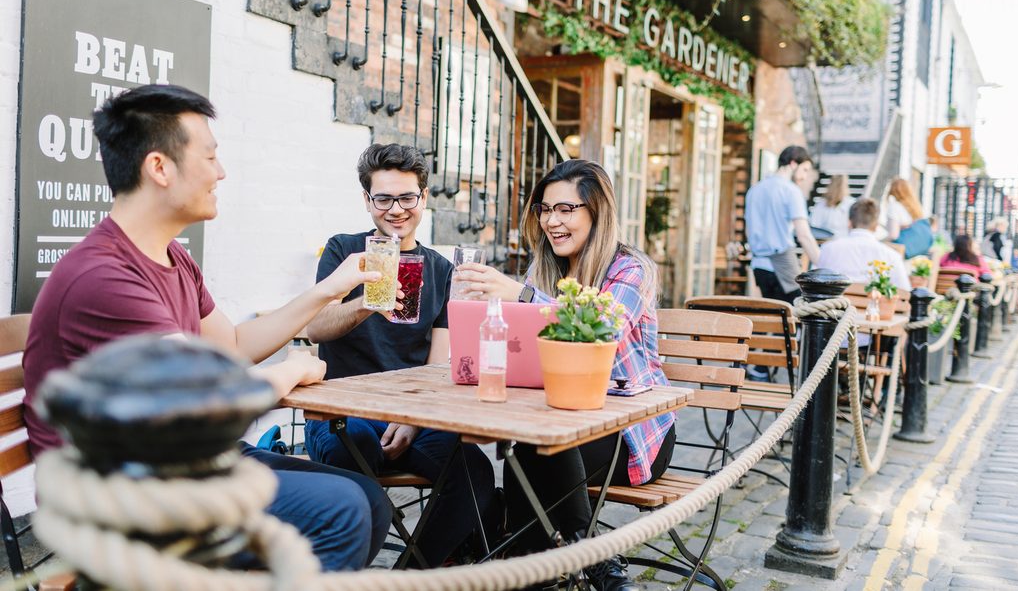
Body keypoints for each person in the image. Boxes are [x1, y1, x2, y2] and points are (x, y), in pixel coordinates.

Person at [22, 84, 390, 572]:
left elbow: (234, 347)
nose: (221, 172)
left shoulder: (172, 256)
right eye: (211, 156)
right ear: (159, 167)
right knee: (339, 512)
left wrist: (330, 289)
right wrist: (292, 370)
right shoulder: (104, 276)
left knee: (369, 499)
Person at [454, 160, 672, 591]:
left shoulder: (631, 269)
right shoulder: (547, 270)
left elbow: (602, 330)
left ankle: (567, 555)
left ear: (597, 210)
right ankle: (559, 563)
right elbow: (524, 348)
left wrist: (519, 294)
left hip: (632, 432)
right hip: (555, 420)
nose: (552, 221)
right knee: (528, 452)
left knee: (537, 452)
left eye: (566, 209)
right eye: (545, 210)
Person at [304, 143, 496, 568]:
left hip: (409, 415)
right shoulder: (344, 251)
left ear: (423, 198)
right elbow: (315, 327)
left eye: (407, 197)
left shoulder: (441, 269)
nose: (396, 210)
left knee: (475, 474)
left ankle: (409, 576)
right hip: (343, 411)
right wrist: (367, 302)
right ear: (367, 201)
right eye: (384, 198)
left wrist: (412, 418)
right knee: (353, 449)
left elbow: (439, 362)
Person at [745, 145, 820, 305]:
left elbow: (748, 230)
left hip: (759, 266)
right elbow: (804, 235)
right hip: (782, 265)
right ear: (793, 164)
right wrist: (823, 264)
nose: (804, 177)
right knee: (796, 318)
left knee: (775, 317)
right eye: (805, 170)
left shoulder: (754, 190)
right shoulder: (791, 191)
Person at [816, 198, 911, 291]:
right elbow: (904, 293)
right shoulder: (892, 256)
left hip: (836, 304)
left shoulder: (828, 248)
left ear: (849, 222)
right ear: (876, 225)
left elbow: (817, 283)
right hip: (873, 305)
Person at [885, 178, 931, 258]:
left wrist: (880, 242)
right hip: (915, 253)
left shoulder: (894, 206)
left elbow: (893, 235)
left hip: (900, 253)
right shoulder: (916, 207)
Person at [809, 174, 855, 238]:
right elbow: (814, 226)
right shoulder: (822, 204)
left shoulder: (851, 203)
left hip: (844, 241)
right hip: (826, 241)